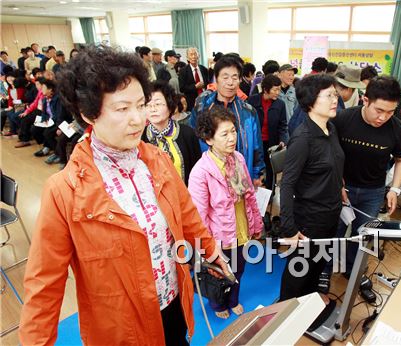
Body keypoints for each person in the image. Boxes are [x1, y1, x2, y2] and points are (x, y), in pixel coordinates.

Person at [19, 45, 229, 346]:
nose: (138, 118)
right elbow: (44, 285)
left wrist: (210, 250)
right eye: (122, 108)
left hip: (172, 305)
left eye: (141, 105)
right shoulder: (64, 191)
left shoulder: (156, 160)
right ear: (88, 114)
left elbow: (186, 215)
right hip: (121, 329)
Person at [188, 106, 263, 319]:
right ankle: (217, 304)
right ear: (209, 139)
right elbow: (198, 217)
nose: (232, 138)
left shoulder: (238, 158)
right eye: (224, 134)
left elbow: (249, 195)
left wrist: (256, 224)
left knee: (239, 270)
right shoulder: (200, 172)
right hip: (219, 237)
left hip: (241, 228)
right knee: (219, 273)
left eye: (233, 131)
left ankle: (233, 299)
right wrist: (206, 248)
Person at [332, 76, 401, 277]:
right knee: (334, 231)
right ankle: (325, 269)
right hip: (340, 188)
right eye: (379, 110)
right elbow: (329, 153)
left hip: (372, 192)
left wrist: (395, 189)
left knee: (362, 235)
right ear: (365, 100)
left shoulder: (397, 128)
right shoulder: (343, 119)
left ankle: (352, 270)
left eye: (390, 112)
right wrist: (336, 180)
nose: (383, 118)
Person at [279, 74, 344, 302]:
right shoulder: (303, 138)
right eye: (328, 95)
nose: (334, 99)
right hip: (309, 220)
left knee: (317, 267)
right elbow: (286, 185)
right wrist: (288, 227)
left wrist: (340, 188)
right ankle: (285, 313)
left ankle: (307, 309)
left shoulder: (331, 129)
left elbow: (333, 164)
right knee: (299, 271)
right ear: (310, 102)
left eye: (335, 94)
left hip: (331, 214)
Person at [189, 55, 265, 185]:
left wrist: (257, 173)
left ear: (240, 80)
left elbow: (257, 147)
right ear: (216, 79)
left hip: (240, 176)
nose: (230, 82)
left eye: (235, 77)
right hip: (211, 177)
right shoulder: (202, 108)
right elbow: (193, 141)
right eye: (225, 77)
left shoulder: (248, 112)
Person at [142, 80, 202, 186]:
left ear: (170, 106)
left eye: (157, 104)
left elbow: (198, 170)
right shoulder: (140, 138)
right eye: (148, 105)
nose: (153, 109)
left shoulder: (187, 134)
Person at [247, 74, 289, 188]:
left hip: (271, 143)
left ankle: (270, 193)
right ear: (266, 89)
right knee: (253, 167)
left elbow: (283, 125)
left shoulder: (280, 104)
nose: (277, 93)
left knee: (270, 169)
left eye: (279, 90)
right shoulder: (252, 100)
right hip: (255, 143)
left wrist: (283, 140)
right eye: (275, 90)